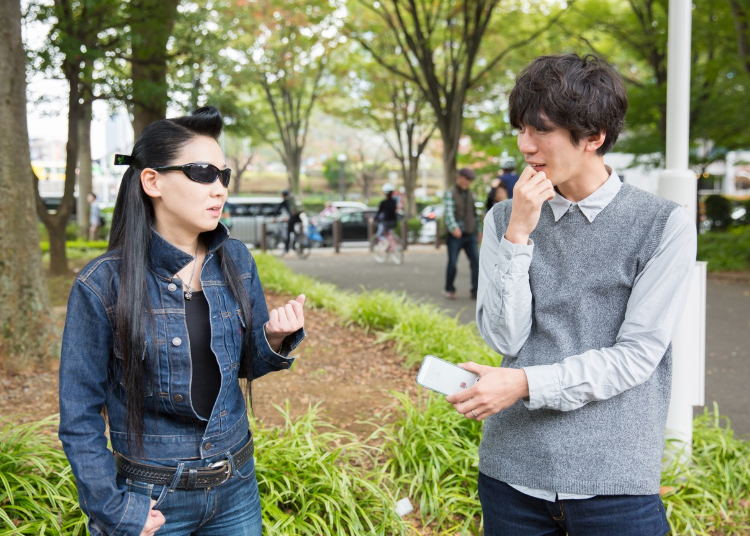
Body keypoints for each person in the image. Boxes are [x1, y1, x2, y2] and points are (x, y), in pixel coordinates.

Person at [446, 54, 696, 536]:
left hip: (613, 482)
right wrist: (519, 233)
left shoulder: (661, 225)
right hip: (511, 473)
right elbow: (505, 336)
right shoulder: (505, 217)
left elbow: (636, 356)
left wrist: (524, 384)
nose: (525, 145)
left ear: (593, 137)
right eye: (520, 129)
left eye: (540, 131)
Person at [59, 106, 306, 536]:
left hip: (236, 489)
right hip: (152, 499)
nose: (219, 189)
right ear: (152, 181)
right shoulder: (102, 285)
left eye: (223, 176)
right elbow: (78, 416)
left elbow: (242, 367)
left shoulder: (236, 261)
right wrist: (115, 511)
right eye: (202, 173)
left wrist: (273, 337)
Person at [443, 167, 482, 300]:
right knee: (453, 262)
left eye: (469, 180)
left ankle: (476, 290)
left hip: (470, 234)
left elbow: (474, 214)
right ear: (459, 177)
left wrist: (479, 230)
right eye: (466, 179)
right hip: (455, 236)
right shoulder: (450, 193)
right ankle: (450, 288)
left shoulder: (471, 194)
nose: (467, 182)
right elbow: (448, 213)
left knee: (476, 262)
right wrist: (454, 228)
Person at [275, 189, 303, 254]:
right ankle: (295, 244)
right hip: (298, 217)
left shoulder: (286, 201)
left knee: (288, 232)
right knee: (294, 232)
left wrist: (274, 217)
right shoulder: (292, 200)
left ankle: (287, 248)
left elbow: (278, 209)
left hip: (293, 218)